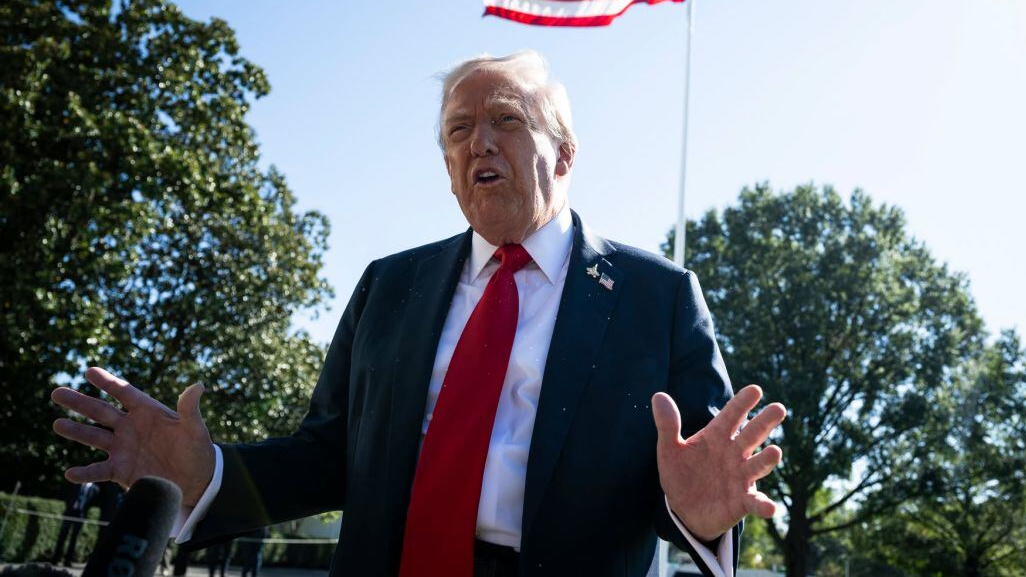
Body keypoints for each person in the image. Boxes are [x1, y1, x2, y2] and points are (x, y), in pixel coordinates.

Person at [50, 51, 786, 577]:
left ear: (563, 155)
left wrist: (696, 515)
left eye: (505, 119)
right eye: (458, 131)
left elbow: (697, 470)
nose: (479, 142)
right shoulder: (388, 285)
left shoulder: (656, 296)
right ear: (447, 166)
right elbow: (327, 456)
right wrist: (207, 473)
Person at [50, 481, 95, 566]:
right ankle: (56, 558)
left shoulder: (95, 489)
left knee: (74, 538)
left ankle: (67, 560)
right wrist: (68, 505)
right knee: (62, 535)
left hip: (81, 515)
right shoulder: (76, 483)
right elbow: (67, 494)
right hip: (70, 512)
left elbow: (92, 503)